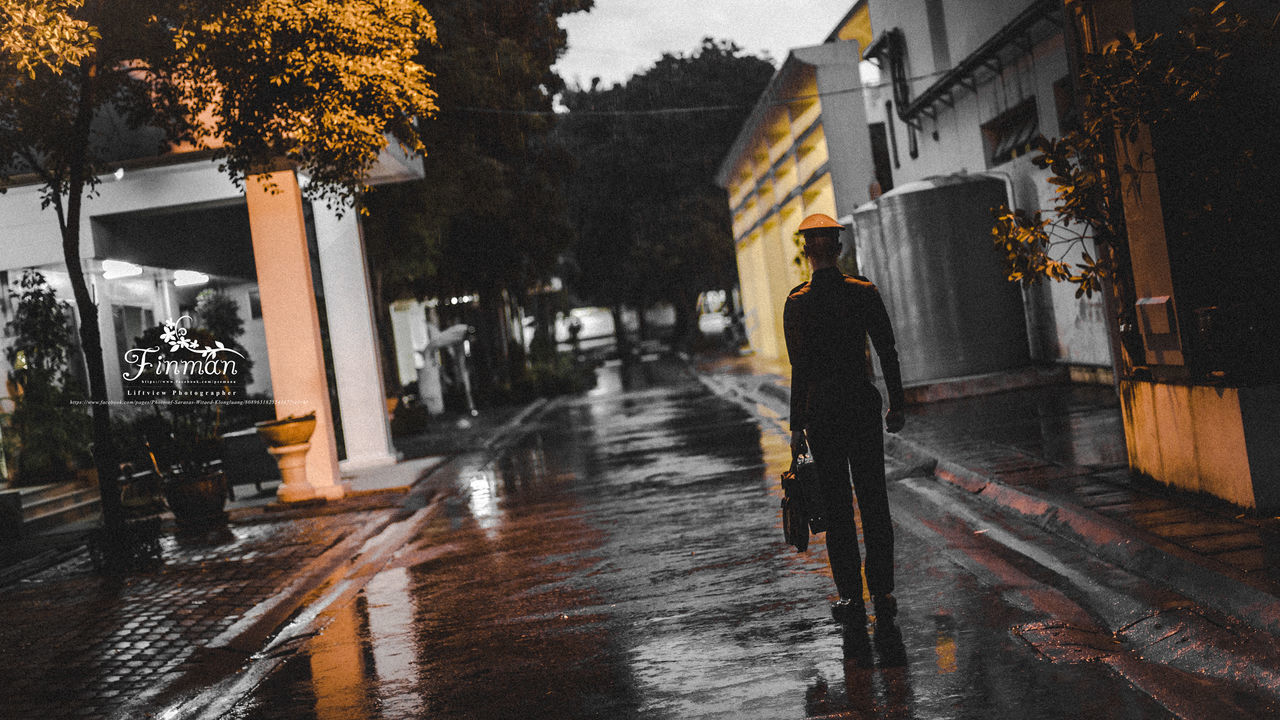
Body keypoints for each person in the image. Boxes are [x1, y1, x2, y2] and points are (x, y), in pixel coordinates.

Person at [783, 212, 906, 628]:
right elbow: (887, 350)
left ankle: (851, 595)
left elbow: (800, 368)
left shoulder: (797, 303)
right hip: (861, 407)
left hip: (822, 416)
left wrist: (797, 426)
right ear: (839, 249)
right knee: (874, 499)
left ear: (806, 253)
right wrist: (898, 403)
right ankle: (882, 589)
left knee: (837, 506)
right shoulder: (863, 292)